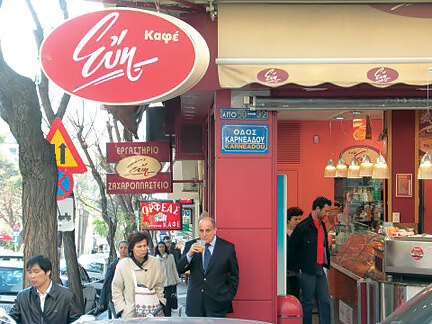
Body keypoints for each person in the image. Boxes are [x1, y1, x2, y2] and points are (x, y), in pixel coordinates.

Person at [177, 216, 239, 317]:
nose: (204, 234)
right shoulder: (191, 246)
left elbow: (234, 276)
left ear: (215, 230)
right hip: (195, 305)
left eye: (208, 230)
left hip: (218, 304)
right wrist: (189, 254)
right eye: (201, 231)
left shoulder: (227, 248)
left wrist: (227, 297)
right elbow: (179, 269)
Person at [287, 196, 332, 324]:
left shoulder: (322, 225)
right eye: (325, 211)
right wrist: (297, 268)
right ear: (317, 208)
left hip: (320, 269)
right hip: (306, 271)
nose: (327, 214)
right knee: (307, 303)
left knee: (325, 301)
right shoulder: (302, 227)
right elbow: (291, 248)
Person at [9, 255, 81, 324]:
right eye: (30, 272)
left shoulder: (66, 295)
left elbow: (76, 321)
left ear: (48, 272)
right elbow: (11, 319)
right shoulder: (23, 296)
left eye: (36, 272)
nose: (32, 276)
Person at [112, 232, 166, 318]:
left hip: (154, 311)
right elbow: (116, 288)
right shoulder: (123, 265)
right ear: (132, 248)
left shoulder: (155, 262)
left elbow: (160, 285)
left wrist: (161, 302)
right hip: (130, 313)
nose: (143, 249)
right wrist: (122, 308)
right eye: (139, 246)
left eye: (145, 246)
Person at [94, 241, 128, 317]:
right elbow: (106, 284)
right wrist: (101, 302)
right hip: (116, 298)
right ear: (118, 249)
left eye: (125, 248)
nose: (123, 250)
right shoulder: (113, 265)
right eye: (121, 247)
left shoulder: (132, 264)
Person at [155, 241, 181, 316]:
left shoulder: (170, 257)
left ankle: (168, 316)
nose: (161, 248)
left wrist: (177, 280)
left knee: (168, 301)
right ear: (157, 248)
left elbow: (174, 268)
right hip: (160, 284)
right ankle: (163, 315)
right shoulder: (155, 259)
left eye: (163, 247)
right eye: (159, 247)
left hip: (170, 283)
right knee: (162, 301)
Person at [286, 206, 303, 299]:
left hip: (296, 271)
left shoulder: (300, 233)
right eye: (295, 219)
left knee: (295, 295)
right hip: (285, 270)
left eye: (299, 219)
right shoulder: (281, 233)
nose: (298, 221)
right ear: (288, 219)